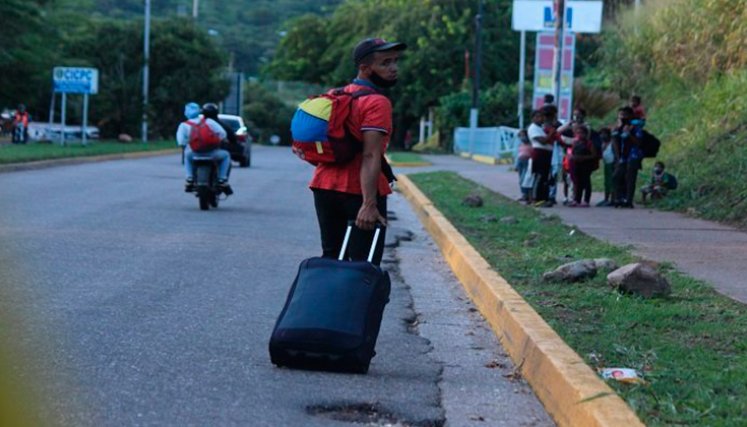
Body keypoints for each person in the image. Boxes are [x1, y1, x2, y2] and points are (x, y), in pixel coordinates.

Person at [306, 37, 406, 266]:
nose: (393, 68)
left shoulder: (335, 94)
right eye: (385, 63)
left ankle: (328, 302)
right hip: (358, 192)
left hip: (323, 186)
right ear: (364, 68)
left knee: (331, 259)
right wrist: (369, 203)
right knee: (364, 266)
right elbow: (371, 155)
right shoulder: (377, 102)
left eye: (395, 62)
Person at [175, 102, 230, 193]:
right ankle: (222, 179)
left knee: (187, 156)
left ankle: (189, 178)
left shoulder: (183, 125)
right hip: (212, 153)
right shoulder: (209, 122)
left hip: (194, 154)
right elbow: (223, 134)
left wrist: (188, 143)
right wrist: (218, 141)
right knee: (226, 155)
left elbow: (181, 142)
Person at [612, 106, 644, 208]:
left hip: (633, 155)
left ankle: (628, 200)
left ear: (630, 116)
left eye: (625, 115)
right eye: (620, 115)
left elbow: (638, 142)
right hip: (622, 156)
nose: (622, 117)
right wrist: (618, 157)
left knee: (630, 178)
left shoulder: (635, 127)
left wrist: (629, 133)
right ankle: (618, 198)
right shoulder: (618, 128)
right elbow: (615, 142)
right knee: (617, 176)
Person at [527, 109, 554, 207]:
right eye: (537, 117)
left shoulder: (541, 128)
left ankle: (543, 198)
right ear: (533, 118)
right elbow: (543, 141)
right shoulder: (533, 128)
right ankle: (536, 199)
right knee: (539, 176)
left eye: (541, 116)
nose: (540, 119)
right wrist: (551, 132)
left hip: (546, 153)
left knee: (545, 177)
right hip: (539, 153)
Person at [568, 124, 598, 207]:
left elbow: (594, 155)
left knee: (586, 182)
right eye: (578, 133)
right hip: (576, 164)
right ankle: (577, 199)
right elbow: (572, 152)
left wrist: (583, 158)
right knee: (577, 182)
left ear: (585, 134)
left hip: (586, 164)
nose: (580, 135)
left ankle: (586, 200)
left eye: (581, 133)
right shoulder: (575, 142)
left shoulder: (589, 143)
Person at [596, 127, 616, 206]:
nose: (602, 136)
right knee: (607, 182)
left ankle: (613, 199)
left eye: (604, 134)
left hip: (612, 164)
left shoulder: (612, 143)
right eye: (601, 134)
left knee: (612, 182)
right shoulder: (602, 144)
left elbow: (616, 154)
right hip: (606, 164)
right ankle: (606, 198)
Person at [514, 130, 533, 202]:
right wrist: (516, 165)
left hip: (527, 161)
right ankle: (524, 194)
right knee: (521, 180)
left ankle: (527, 195)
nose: (522, 137)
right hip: (520, 162)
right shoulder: (520, 144)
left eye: (523, 135)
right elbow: (517, 154)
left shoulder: (531, 143)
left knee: (524, 179)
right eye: (521, 136)